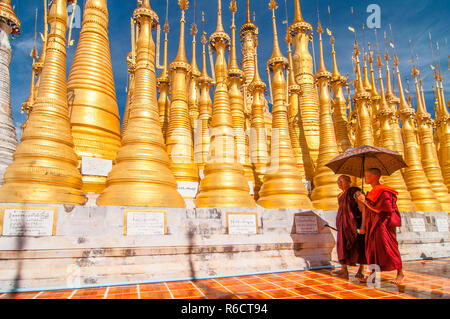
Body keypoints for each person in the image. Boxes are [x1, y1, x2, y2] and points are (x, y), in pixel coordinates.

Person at [357, 168, 404, 285]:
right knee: (372, 250)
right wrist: (363, 201)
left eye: (368, 175)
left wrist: (365, 202)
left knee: (389, 248)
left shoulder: (384, 191)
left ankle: (400, 273)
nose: (365, 178)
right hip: (373, 225)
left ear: (375, 177)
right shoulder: (373, 191)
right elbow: (369, 209)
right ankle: (373, 275)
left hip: (383, 225)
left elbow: (385, 209)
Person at [331, 175, 366, 280]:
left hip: (353, 222)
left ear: (349, 181)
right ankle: (343, 269)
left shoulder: (354, 192)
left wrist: (363, 224)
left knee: (358, 244)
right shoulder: (340, 195)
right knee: (342, 245)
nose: (339, 183)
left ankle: (361, 269)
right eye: (338, 181)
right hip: (343, 223)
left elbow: (362, 207)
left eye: (342, 181)